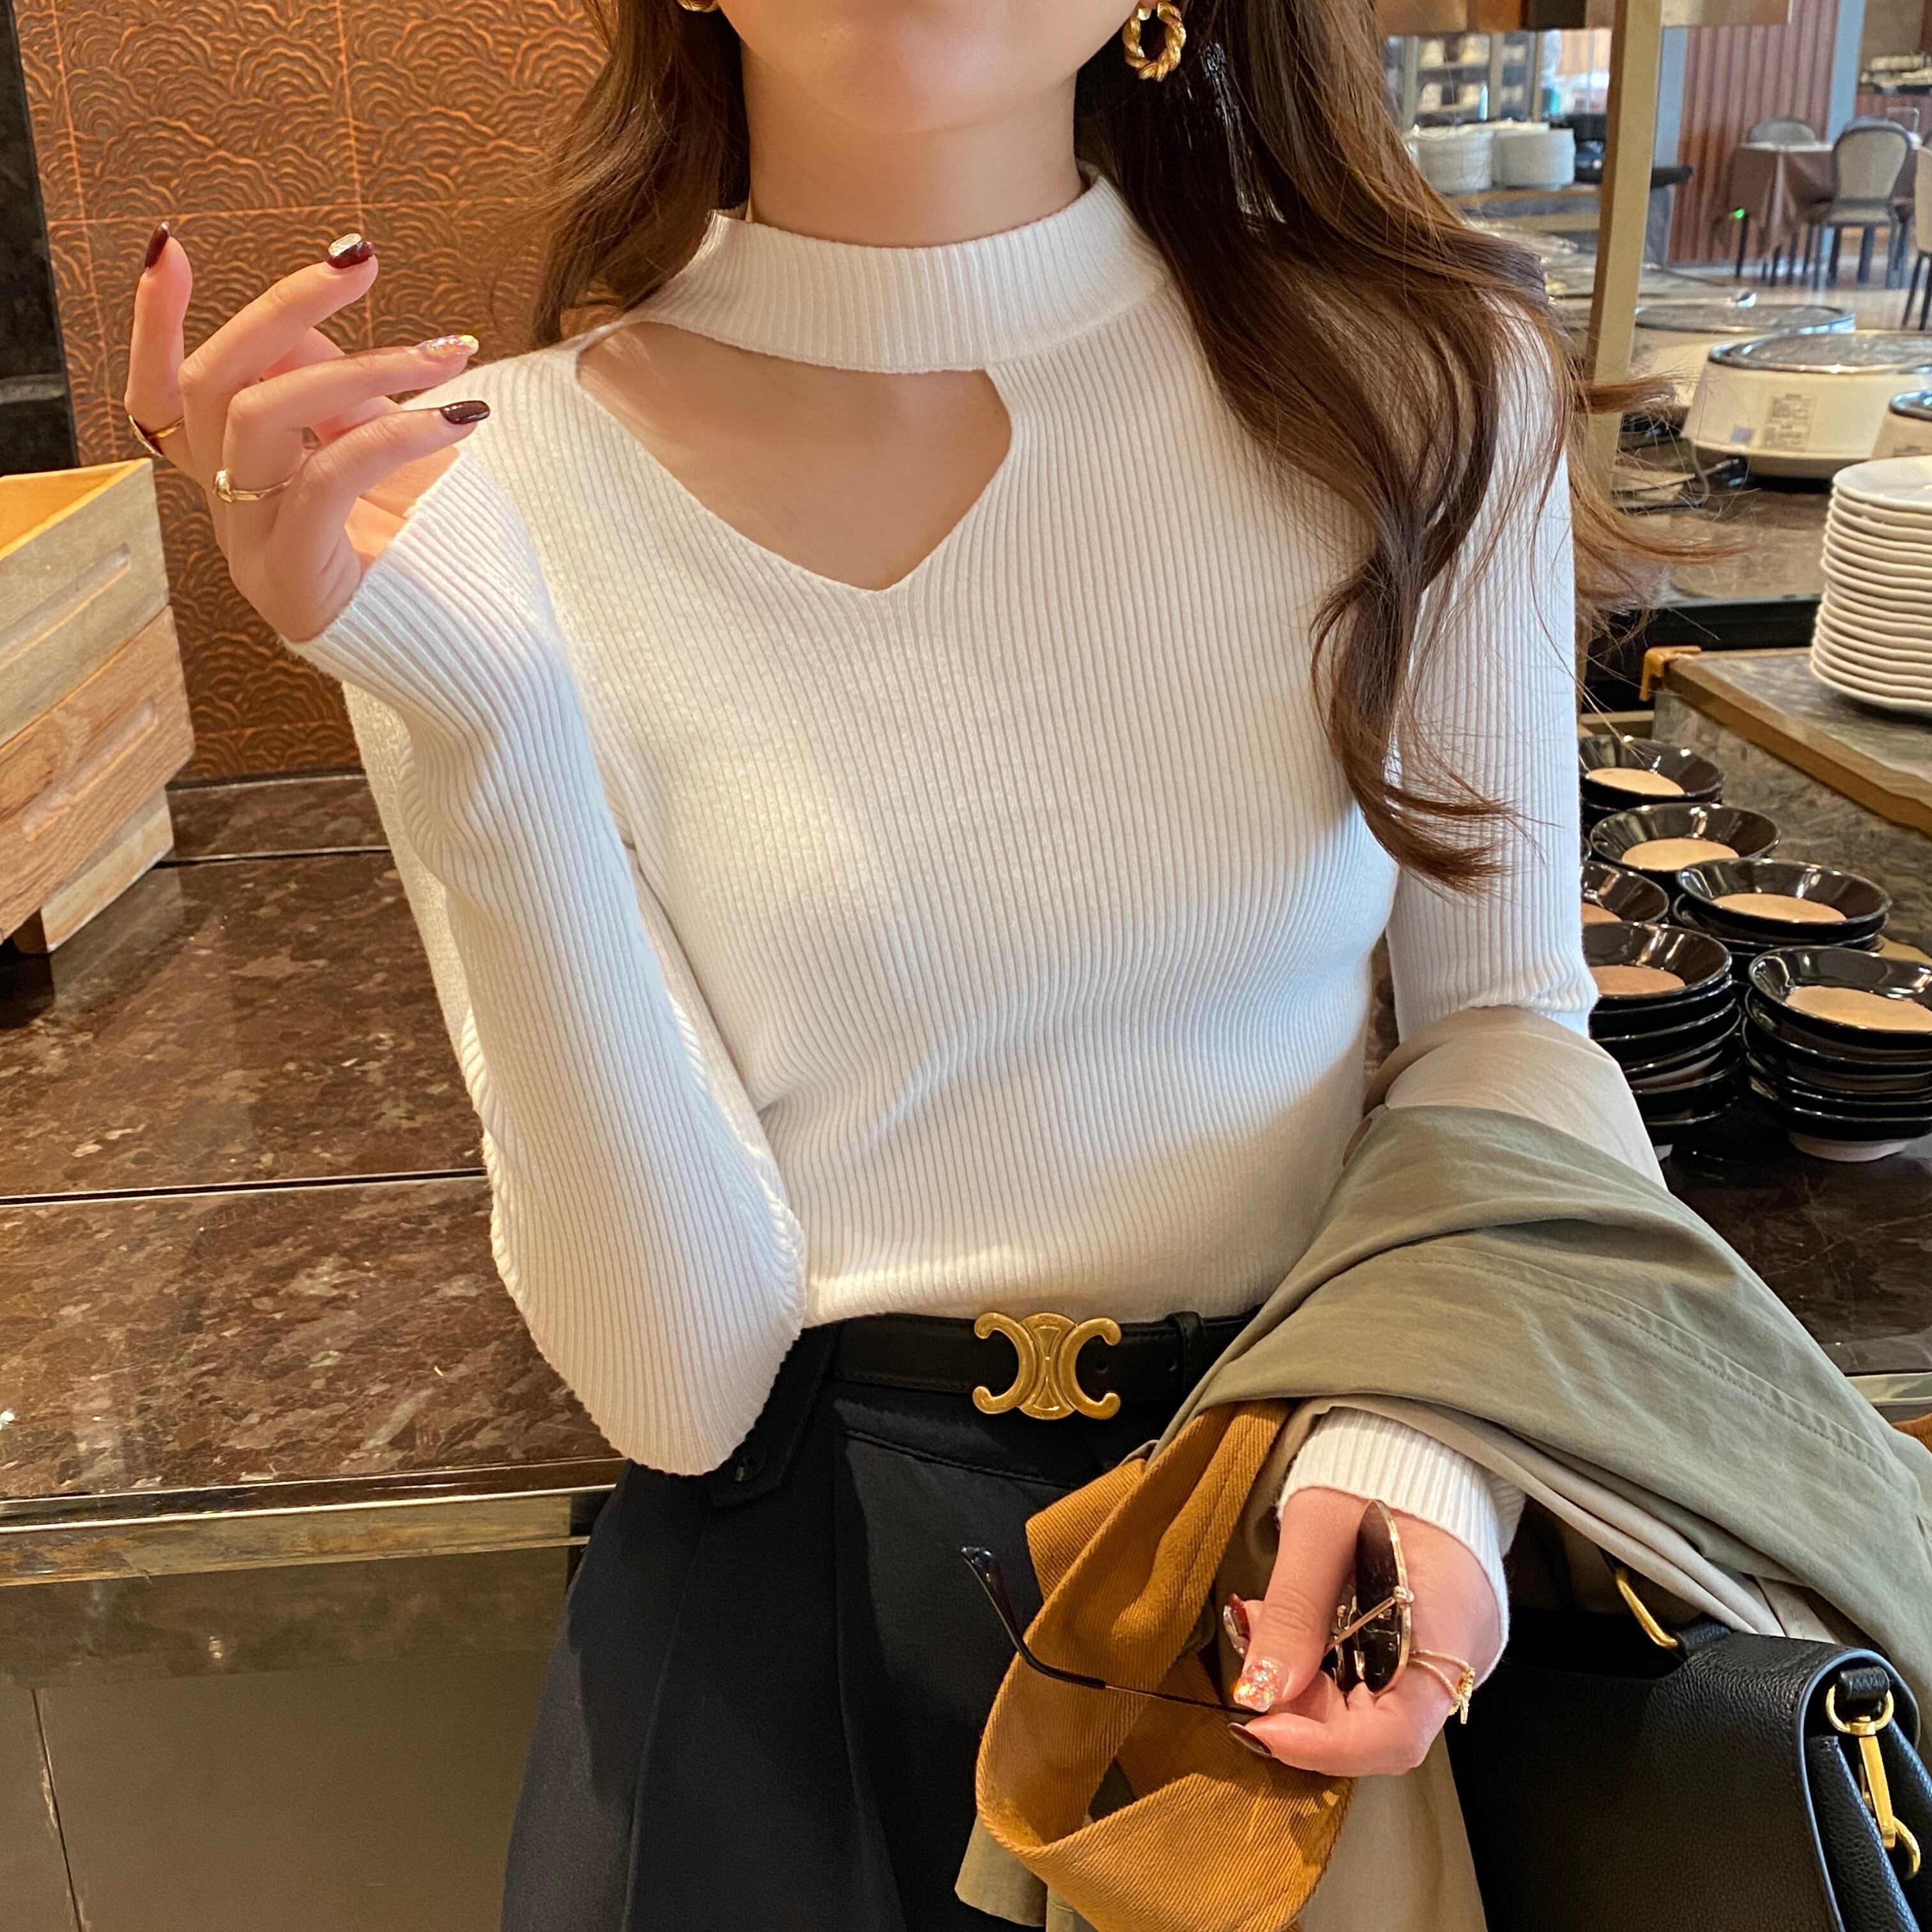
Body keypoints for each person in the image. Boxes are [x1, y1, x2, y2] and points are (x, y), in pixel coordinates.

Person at [121, 0, 1660, 1922]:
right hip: (768, 1644)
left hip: (1274, 1571)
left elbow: (1507, 1029)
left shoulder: (1423, 389)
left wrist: (1423, 1442)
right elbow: (680, 1386)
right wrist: (482, 714)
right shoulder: (469, 492)